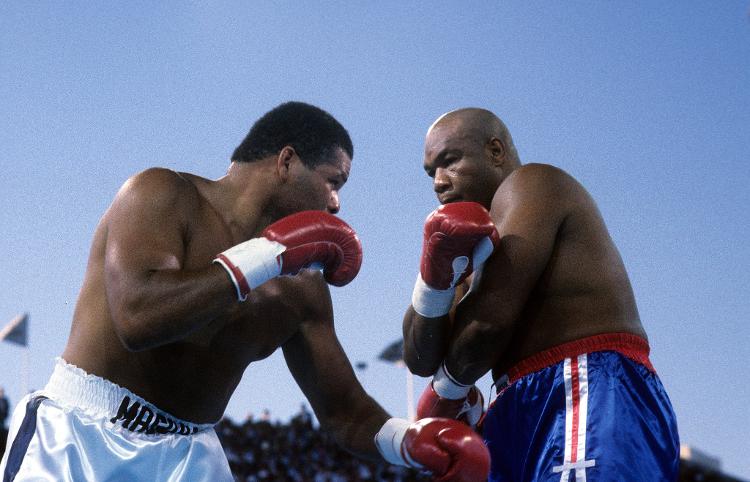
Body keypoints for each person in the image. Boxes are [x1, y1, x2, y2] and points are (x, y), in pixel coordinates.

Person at [0, 102, 489, 481]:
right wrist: (268, 254)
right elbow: (139, 318)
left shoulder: (302, 290)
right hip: (80, 434)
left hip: (190, 455)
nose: (336, 204)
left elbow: (345, 413)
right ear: (286, 161)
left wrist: (408, 440)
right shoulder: (161, 195)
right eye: (333, 181)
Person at [403, 108, 680, 481]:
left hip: (584, 385)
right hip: (516, 406)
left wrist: (446, 391)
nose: (438, 181)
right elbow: (419, 357)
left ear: (496, 151)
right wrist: (433, 282)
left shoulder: (532, 184)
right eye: (430, 172)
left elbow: (484, 330)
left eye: (449, 161)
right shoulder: (466, 249)